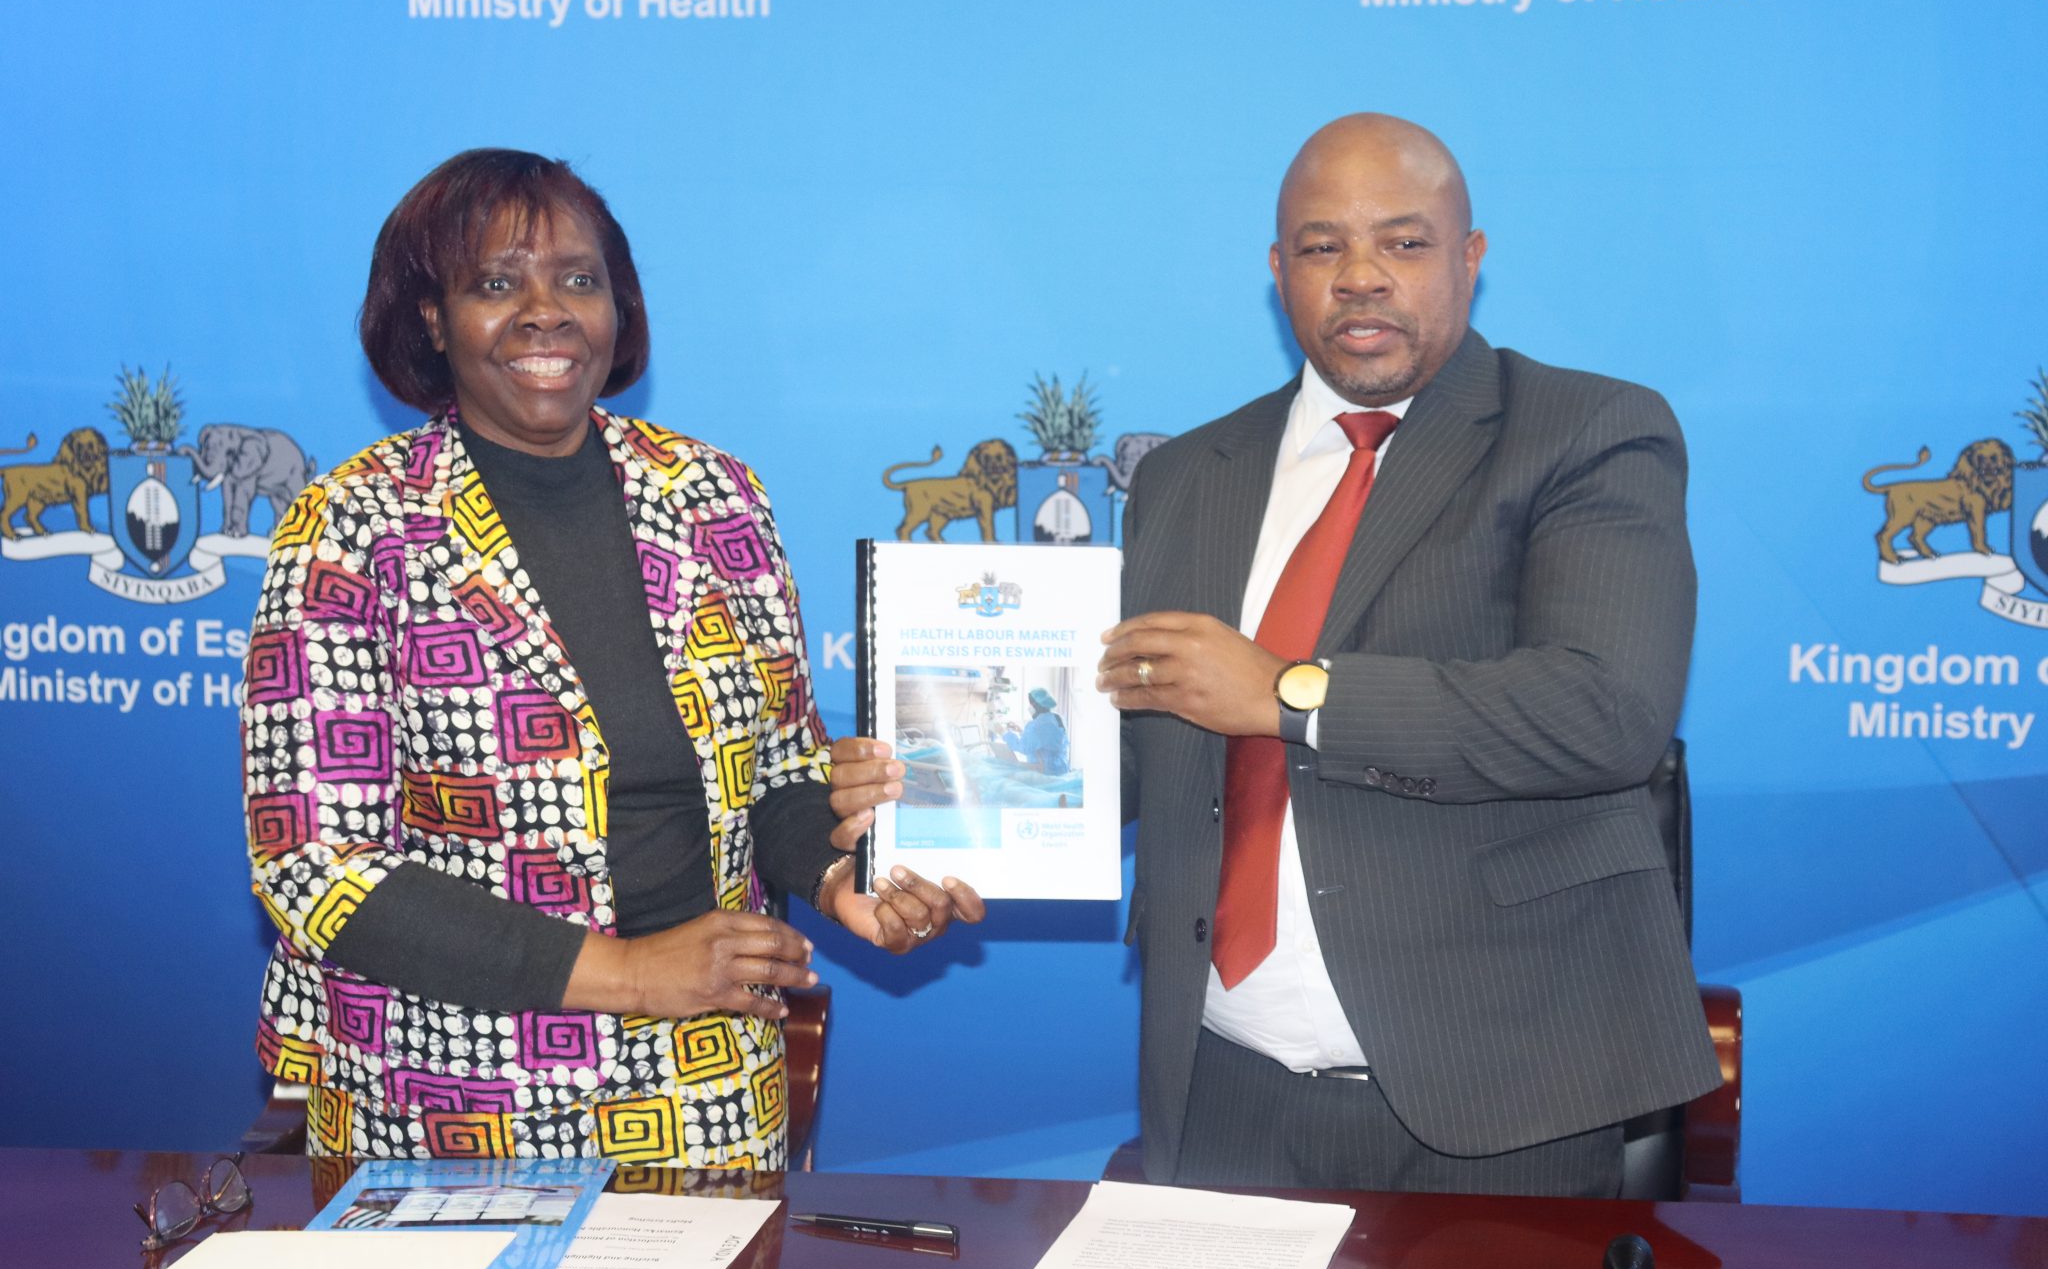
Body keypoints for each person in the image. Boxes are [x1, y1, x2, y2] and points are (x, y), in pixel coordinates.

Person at [836, 113, 1718, 1196]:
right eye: (1320, 245)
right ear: (1276, 270)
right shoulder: (1187, 476)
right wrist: (936, 797)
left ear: (1470, 257)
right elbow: (1139, 746)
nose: (1360, 276)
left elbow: (1604, 710)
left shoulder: (1585, 430)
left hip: (1498, 1092)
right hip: (1224, 1089)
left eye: (1402, 242)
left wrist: (1289, 694)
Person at [243, 149, 982, 1165]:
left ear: (617, 308)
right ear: (432, 320)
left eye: (577, 280)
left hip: (704, 1079)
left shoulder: (714, 493)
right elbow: (315, 865)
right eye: (495, 283)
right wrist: (629, 974)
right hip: (446, 1092)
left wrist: (841, 875)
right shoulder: (351, 527)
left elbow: (777, 773)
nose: (545, 312)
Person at [1003, 687, 1070, 774]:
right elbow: (1044, 742)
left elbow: (1024, 747)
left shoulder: (1036, 725)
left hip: (1045, 773)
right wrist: (1020, 731)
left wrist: (1004, 733)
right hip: (1061, 770)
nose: (1029, 707)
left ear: (1036, 705)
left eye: (1030, 704)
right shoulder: (1057, 718)